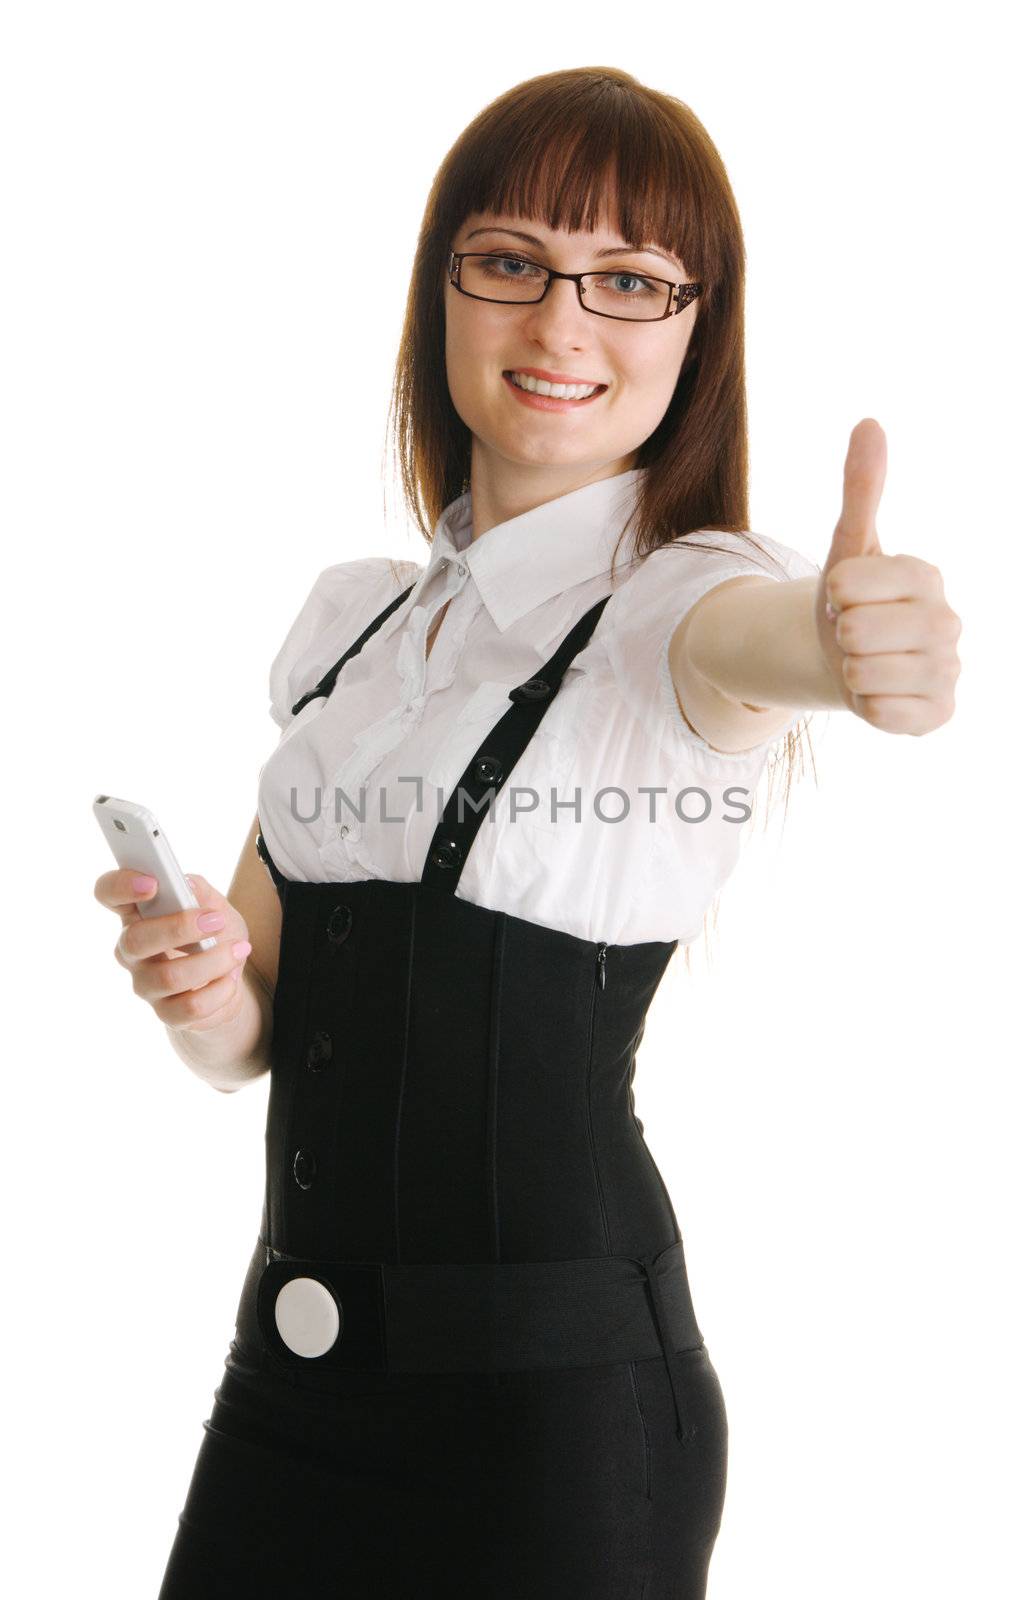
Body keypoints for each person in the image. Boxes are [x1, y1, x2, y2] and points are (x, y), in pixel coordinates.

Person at [96, 66, 960, 1600]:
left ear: (699, 329)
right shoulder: (355, 629)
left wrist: (855, 648)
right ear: (443, 291)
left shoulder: (682, 604)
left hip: (556, 1419)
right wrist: (201, 981)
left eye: (628, 281)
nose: (561, 324)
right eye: (509, 261)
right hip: (289, 1380)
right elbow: (251, 1038)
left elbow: (779, 643)